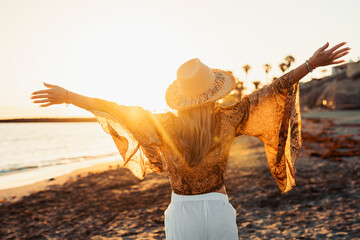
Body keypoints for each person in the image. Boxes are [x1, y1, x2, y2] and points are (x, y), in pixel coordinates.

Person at [30, 42, 350, 239]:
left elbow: (114, 109)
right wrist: (311, 64)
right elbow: (273, 90)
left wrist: (69, 96)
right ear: (214, 92)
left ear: (181, 98)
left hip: (182, 212)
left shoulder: (163, 125)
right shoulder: (229, 117)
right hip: (219, 207)